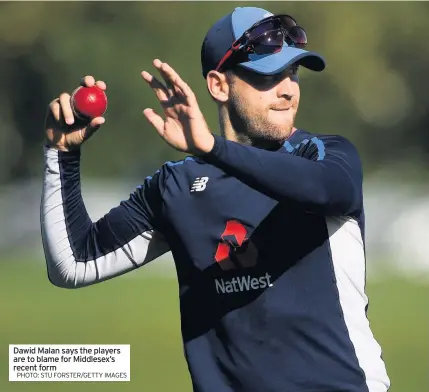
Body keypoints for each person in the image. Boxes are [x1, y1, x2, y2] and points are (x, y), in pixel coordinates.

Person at [40, 6, 390, 392]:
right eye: (269, 76)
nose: (289, 89)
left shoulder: (324, 156)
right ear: (219, 86)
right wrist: (62, 154)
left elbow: (325, 189)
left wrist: (212, 148)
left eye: (292, 74)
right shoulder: (176, 186)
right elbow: (73, 263)